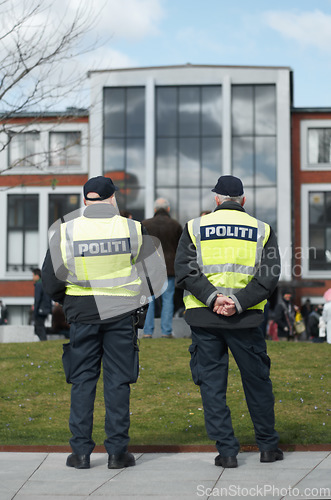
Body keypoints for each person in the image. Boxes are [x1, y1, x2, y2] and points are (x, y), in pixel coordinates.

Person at [42, 175, 166, 470]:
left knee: (82, 380)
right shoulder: (133, 229)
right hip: (121, 311)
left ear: (85, 200)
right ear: (113, 199)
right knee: (118, 381)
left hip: (82, 313)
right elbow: (154, 277)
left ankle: (81, 453)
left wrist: (70, 300)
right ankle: (117, 453)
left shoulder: (65, 230)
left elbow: (50, 279)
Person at [175, 175, 282, 468]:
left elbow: (184, 271)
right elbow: (269, 276)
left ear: (216, 199)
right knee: (257, 382)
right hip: (245, 319)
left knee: (212, 385)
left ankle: (228, 452)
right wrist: (237, 302)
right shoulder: (263, 229)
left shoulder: (194, 227)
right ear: (243, 201)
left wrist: (212, 298)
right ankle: (268, 448)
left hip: (204, 317)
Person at [142, 198, 182, 338]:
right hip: (169, 268)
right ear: (168, 209)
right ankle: (166, 332)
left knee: (149, 300)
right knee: (168, 299)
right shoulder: (175, 225)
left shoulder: (145, 224)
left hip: (150, 267)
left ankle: (147, 332)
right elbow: (180, 247)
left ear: (154, 209)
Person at [32, 268, 52, 341]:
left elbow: (37, 299)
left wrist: (35, 310)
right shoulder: (45, 284)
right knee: (41, 326)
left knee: (39, 326)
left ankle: (43, 340)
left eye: (33, 276)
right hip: (46, 309)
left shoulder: (38, 285)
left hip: (40, 309)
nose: (32, 278)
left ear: (37, 276)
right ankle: (43, 340)